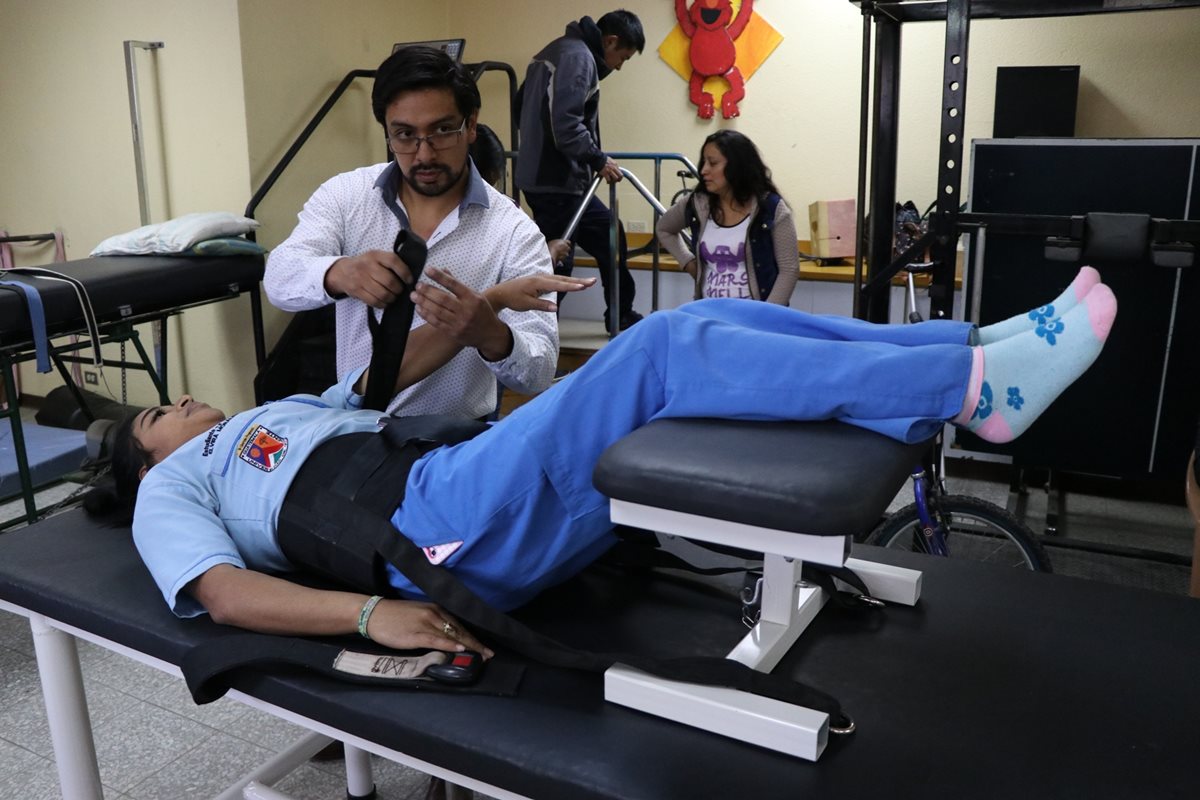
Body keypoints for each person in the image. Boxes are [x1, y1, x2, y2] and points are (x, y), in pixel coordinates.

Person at [101, 268, 1114, 654]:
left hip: (466, 472)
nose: (181, 401)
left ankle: (970, 345)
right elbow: (226, 595)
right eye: (156, 411)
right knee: (664, 350)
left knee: (706, 314)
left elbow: (376, 393)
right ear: (146, 462)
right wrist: (375, 615)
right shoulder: (179, 487)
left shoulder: (267, 412)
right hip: (436, 532)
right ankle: (976, 390)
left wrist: (487, 309)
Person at [263, 46, 560, 420]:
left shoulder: (514, 232)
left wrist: (493, 336)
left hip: (455, 444)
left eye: (441, 130)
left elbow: (539, 371)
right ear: (387, 134)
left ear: (471, 126)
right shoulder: (346, 196)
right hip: (354, 433)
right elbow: (279, 278)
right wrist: (339, 273)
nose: (423, 155)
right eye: (405, 135)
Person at [516, 10, 646, 331]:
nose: (618, 66)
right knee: (559, 260)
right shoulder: (578, 58)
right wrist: (598, 159)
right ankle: (538, 336)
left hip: (546, 176)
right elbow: (567, 125)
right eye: (622, 58)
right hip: (556, 180)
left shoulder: (552, 52)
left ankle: (620, 315)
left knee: (607, 235)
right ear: (610, 41)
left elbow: (520, 108)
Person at [657, 130, 799, 304]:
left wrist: (765, 316)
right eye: (704, 162)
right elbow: (664, 228)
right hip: (709, 314)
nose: (703, 170)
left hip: (756, 318)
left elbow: (789, 269)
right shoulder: (697, 203)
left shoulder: (771, 208)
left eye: (713, 163)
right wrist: (689, 263)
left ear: (737, 166)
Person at [470, 123, 571, 269]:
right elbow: (525, 278)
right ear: (495, 173)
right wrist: (551, 254)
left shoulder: (434, 211)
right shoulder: (508, 214)